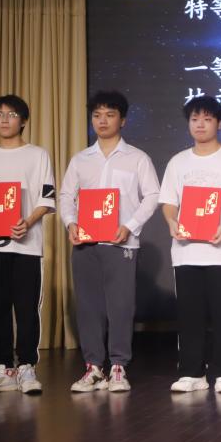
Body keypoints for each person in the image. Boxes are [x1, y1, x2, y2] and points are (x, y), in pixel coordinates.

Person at [59, 90, 160, 393]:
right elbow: (66, 195)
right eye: (97, 115)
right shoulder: (80, 159)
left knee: (120, 307)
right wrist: (70, 223)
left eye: (110, 115)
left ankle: (118, 366)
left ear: (123, 120)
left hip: (121, 244)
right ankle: (93, 367)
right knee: (88, 307)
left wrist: (130, 226)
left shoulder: (137, 158)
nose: (102, 121)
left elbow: (152, 196)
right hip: (85, 244)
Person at [158, 96, 221, 394]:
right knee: (189, 315)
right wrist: (172, 222)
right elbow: (168, 201)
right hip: (186, 251)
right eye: (194, 119)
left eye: (207, 119)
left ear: (219, 123)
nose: (200, 125)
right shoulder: (178, 161)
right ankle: (192, 372)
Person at [0, 95, 56, 395]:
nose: (5, 120)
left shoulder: (38, 155)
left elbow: (47, 197)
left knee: (27, 308)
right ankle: (3, 368)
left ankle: (27, 366)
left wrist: (28, 222)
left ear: (24, 120)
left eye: (12, 114)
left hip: (26, 245)